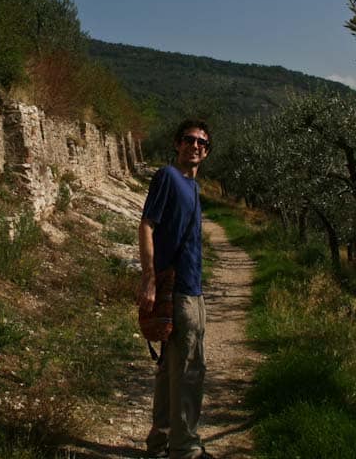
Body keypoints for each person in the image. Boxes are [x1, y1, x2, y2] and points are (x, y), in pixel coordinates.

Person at [137, 119, 213, 459]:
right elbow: (147, 225)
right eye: (189, 139)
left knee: (170, 368)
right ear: (176, 143)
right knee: (189, 370)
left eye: (201, 142)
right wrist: (149, 278)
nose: (195, 145)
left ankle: (160, 443)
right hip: (180, 291)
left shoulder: (194, 188)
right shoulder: (168, 177)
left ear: (206, 152)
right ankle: (185, 449)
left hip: (191, 287)